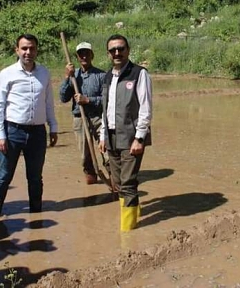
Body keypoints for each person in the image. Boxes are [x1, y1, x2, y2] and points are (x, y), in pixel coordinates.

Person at [0, 34, 58, 217]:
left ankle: (36, 217)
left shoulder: (44, 73)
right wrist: (0, 135)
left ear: (37, 50)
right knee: (3, 177)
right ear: (17, 50)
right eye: (24, 48)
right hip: (12, 131)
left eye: (32, 48)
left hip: (37, 133)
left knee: (35, 178)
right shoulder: (6, 74)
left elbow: (49, 102)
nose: (28, 52)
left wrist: (54, 127)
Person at [99, 34, 152, 232]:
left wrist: (140, 137)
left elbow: (145, 108)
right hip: (111, 136)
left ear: (128, 50)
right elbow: (106, 109)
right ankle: (133, 217)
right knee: (119, 183)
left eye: (121, 49)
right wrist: (103, 135)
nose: (117, 53)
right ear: (108, 54)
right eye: (113, 50)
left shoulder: (139, 74)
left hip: (131, 137)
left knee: (128, 183)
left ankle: (128, 232)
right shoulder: (107, 77)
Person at [59, 41, 106, 185]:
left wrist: (88, 100)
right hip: (80, 119)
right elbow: (63, 98)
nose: (84, 56)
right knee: (85, 156)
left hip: (99, 118)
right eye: (81, 54)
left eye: (87, 53)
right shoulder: (74, 75)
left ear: (92, 55)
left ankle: (114, 178)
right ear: (77, 57)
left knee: (107, 150)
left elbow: (107, 100)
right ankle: (92, 179)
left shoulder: (102, 75)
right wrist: (67, 77)